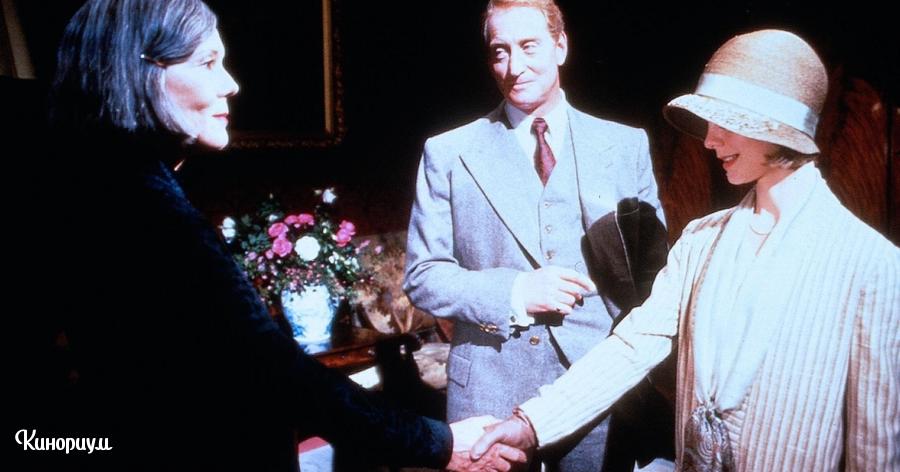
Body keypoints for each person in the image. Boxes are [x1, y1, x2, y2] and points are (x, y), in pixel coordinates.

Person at [10, 0, 526, 470]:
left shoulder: (95, 184)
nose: (231, 84)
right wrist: (436, 443)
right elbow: (273, 371)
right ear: (143, 71)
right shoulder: (142, 202)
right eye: (208, 63)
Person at [467, 29, 900, 471]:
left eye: (725, 122)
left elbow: (876, 450)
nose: (709, 141)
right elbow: (633, 344)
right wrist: (531, 424)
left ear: (772, 124)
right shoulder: (701, 240)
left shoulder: (870, 265)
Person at [403, 0, 665, 469]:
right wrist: (516, 292)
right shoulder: (449, 153)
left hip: (597, 392)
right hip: (488, 396)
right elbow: (423, 277)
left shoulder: (625, 146)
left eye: (529, 46)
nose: (514, 67)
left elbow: (655, 280)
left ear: (560, 46)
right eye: (500, 51)